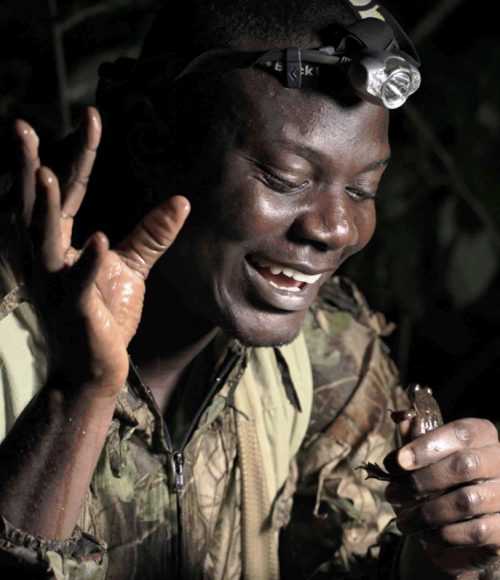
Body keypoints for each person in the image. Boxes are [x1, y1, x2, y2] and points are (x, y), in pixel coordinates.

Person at [1, 0, 500, 578]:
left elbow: (360, 560)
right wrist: (78, 397)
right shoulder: (11, 336)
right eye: (286, 179)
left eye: (363, 191)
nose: (337, 228)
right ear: (150, 137)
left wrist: (447, 549)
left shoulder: (322, 354)